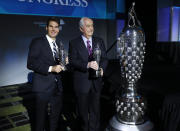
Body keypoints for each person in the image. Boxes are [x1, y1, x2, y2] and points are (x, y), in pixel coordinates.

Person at [27, 17, 67, 131]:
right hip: (42, 87)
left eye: (56, 27)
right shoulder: (37, 42)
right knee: (40, 120)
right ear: (46, 28)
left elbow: (59, 64)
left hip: (57, 86)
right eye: (51, 26)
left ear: (59, 29)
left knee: (55, 118)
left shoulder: (59, 44)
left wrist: (65, 62)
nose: (54, 29)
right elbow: (31, 63)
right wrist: (50, 68)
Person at [69, 17, 108, 131]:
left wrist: (101, 69)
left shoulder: (99, 41)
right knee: (82, 112)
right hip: (82, 83)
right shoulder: (74, 43)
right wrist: (87, 65)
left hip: (96, 82)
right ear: (81, 28)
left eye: (92, 25)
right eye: (88, 26)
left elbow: (105, 59)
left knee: (96, 111)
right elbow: (73, 61)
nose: (91, 28)